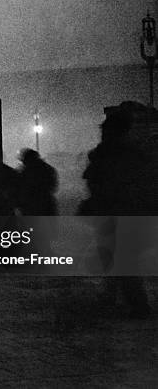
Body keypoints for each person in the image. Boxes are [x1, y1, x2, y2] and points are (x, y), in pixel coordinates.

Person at [80, 106, 154, 318]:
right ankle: (117, 295)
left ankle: (137, 304)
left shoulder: (108, 155)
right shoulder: (135, 155)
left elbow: (98, 182)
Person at [17, 148, 58, 216]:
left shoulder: (26, 171)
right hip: (47, 206)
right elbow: (53, 186)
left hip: (31, 208)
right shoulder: (47, 169)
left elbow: (21, 189)